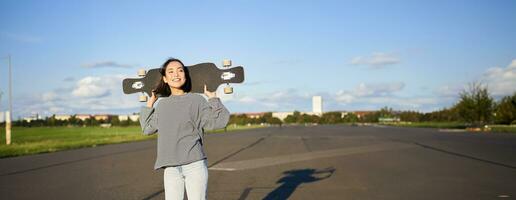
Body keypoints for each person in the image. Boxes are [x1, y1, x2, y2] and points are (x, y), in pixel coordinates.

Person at [139, 58, 230, 200]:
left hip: (194, 165)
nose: (176, 74)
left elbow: (219, 122)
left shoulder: (197, 100)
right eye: (171, 71)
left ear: (185, 76)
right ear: (165, 79)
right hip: (170, 168)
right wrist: (150, 104)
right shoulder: (162, 105)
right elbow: (147, 129)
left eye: (180, 70)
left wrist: (213, 99)